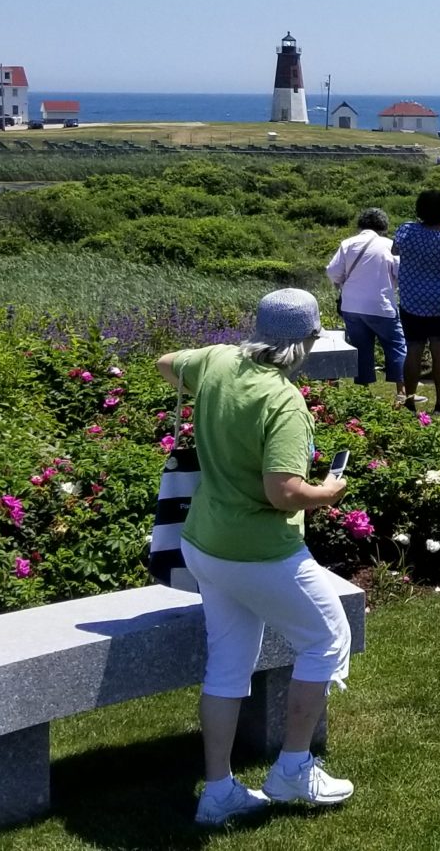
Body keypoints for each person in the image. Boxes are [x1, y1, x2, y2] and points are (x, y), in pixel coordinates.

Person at [157, 289, 356, 826]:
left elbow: (165, 363)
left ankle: (218, 789)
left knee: (228, 666)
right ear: (309, 339)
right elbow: (283, 492)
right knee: (327, 641)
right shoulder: (283, 401)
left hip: (204, 544)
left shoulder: (218, 359)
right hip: (259, 552)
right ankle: (293, 765)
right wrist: (329, 491)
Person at [393, 191, 440, 414]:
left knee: (413, 348)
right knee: (439, 348)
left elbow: (395, 249)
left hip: (411, 300)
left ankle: (410, 401)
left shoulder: (407, 230)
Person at [324, 209, 403, 394]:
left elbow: (333, 272)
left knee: (361, 349)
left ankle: (364, 393)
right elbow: (400, 272)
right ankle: (402, 392)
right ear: (383, 226)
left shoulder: (347, 244)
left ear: (361, 224)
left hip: (351, 306)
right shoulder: (390, 245)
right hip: (381, 305)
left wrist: (343, 282)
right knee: (396, 346)